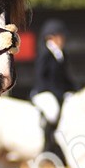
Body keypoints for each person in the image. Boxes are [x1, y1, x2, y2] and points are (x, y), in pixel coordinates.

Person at [30, 18, 76, 158]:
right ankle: (48, 146)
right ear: (51, 37)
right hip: (44, 92)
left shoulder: (62, 55)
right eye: (61, 36)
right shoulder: (45, 54)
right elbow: (40, 78)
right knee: (53, 112)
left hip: (57, 93)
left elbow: (66, 78)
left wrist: (75, 91)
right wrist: (58, 94)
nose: (63, 40)